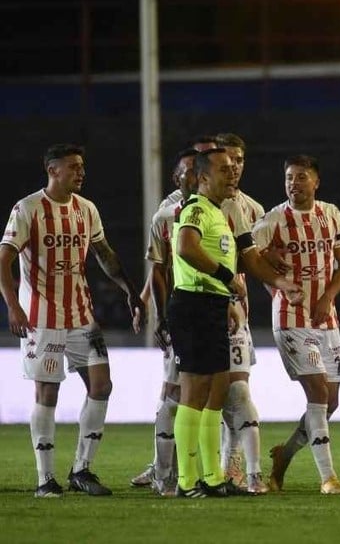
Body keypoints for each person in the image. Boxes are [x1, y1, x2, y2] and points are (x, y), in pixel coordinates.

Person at [0, 143, 145, 497]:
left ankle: (82, 470)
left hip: (82, 314)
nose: (81, 172)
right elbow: (3, 258)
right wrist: (12, 306)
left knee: (101, 385)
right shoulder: (29, 208)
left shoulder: (86, 209)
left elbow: (103, 253)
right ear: (53, 170)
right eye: (74, 167)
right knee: (48, 391)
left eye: (82, 166)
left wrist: (128, 287)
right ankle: (45, 479)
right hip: (41, 317)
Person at [169, 147, 297, 498]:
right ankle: (186, 480)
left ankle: (212, 477)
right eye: (224, 170)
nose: (233, 174)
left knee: (218, 390)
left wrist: (282, 284)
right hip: (193, 304)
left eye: (234, 168)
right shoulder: (195, 208)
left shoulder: (220, 211)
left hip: (213, 306)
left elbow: (250, 259)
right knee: (195, 392)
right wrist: (226, 276)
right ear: (203, 177)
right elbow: (185, 247)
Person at [255, 154, 340, 495]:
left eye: (300, 177)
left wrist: (328, 297)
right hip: (291, 318)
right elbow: (248, 256)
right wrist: (272, 271)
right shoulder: (274, 219)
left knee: (333, 401)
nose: (293, 183)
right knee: (319, 392)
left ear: (316, 181)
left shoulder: (331, 214)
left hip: (326, 318)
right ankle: (328, 478)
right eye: (289, 178)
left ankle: (285, 455)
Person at [129, 147, 199, 496]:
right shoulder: (167, 215)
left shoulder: (228, 209)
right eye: (191, 168)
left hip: (220, 316)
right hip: (183, 314)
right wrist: (154, 310)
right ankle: (164, 473)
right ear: (178, 177)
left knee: (224, 395)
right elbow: (157, 269)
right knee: (174, 395)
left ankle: (222, 472)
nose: (198, 174)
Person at [213, 132, 269, 494]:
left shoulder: (252, 209)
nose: (233, 168)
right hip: (193, 313)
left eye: (239, 161)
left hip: (235, 317)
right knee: (189, 396)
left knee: (237, 389)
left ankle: (246, 470)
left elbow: (257, 262)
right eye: (226, 161)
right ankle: (165, 469)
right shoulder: (185, 204)